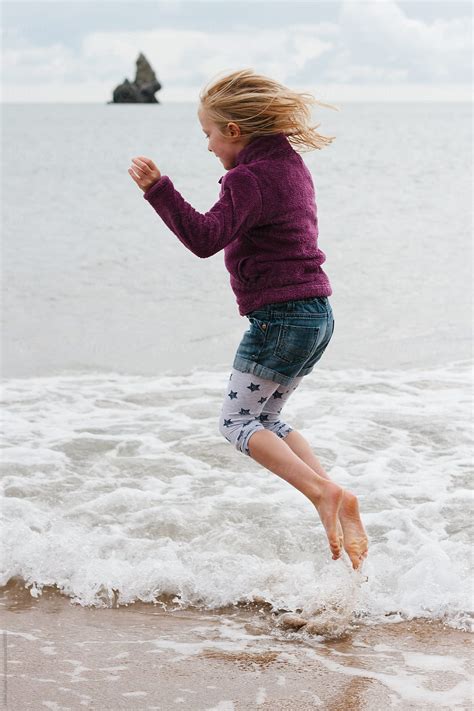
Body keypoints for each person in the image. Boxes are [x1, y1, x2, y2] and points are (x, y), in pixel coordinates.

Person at [128, 68, 368, 570]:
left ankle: (322, 493)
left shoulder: (248, 178)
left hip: (280, 319)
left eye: (209, 134)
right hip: (316, 316)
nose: (209, 145)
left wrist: (158, 190)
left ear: (234, 131)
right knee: (270, 420)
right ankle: (334, 496)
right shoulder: (290, 166)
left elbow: (203, 237)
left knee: (237, 422)